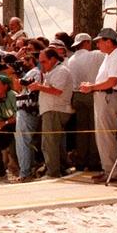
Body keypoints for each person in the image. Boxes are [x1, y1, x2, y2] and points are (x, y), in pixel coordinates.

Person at [78, 28, 117, 182]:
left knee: (106, 136)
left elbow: (112, 81)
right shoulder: (110, 56)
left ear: (108, 41)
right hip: (104, 96)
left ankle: (111, 172)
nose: (97, 44)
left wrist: (92, 87)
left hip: (109, 96)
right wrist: (92, 86)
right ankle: (109, 169)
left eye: (100, 41)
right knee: (103, 136)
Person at [31, 47, 74, 178]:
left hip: (55, 109)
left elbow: (57, 90)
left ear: (53, 59)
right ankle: (62, 167)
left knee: (49, 142)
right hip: (50, 110)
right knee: (55, 142)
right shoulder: (53, 71)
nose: (41, 65)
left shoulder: (61, 70)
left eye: (43, 62)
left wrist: (39, 87)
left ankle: (53, 172)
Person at [65, 33, 103, 172]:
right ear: (87, 42)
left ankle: (81, 158)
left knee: (81, 129)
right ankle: (93, 159)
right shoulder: (96, 55)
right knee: (93, 128)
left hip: (77, 95)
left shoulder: (71, 59)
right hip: (91, 93)